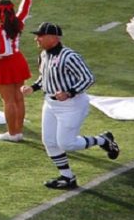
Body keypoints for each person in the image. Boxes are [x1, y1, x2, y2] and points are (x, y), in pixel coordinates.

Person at [22, 22, 120, 189]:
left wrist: (69, 92)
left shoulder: (69, 56)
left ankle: (102, 140)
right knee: (50, 141)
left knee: (66, 144)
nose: (36, 38)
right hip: (51, 103)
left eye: (40, 35)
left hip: (72, 105)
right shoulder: (44, 55)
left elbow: (88, 78)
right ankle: (67, 177)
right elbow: (45, 77)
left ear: (53, 38)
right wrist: (33, 87)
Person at [0, 0, 32, 142]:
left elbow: (3, 50)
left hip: (6, 64)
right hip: (18, 61)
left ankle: (12, 133)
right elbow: (24, 10)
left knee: (8, 101)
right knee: (19, 99)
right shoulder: (18, 23)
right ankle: (18, 132)